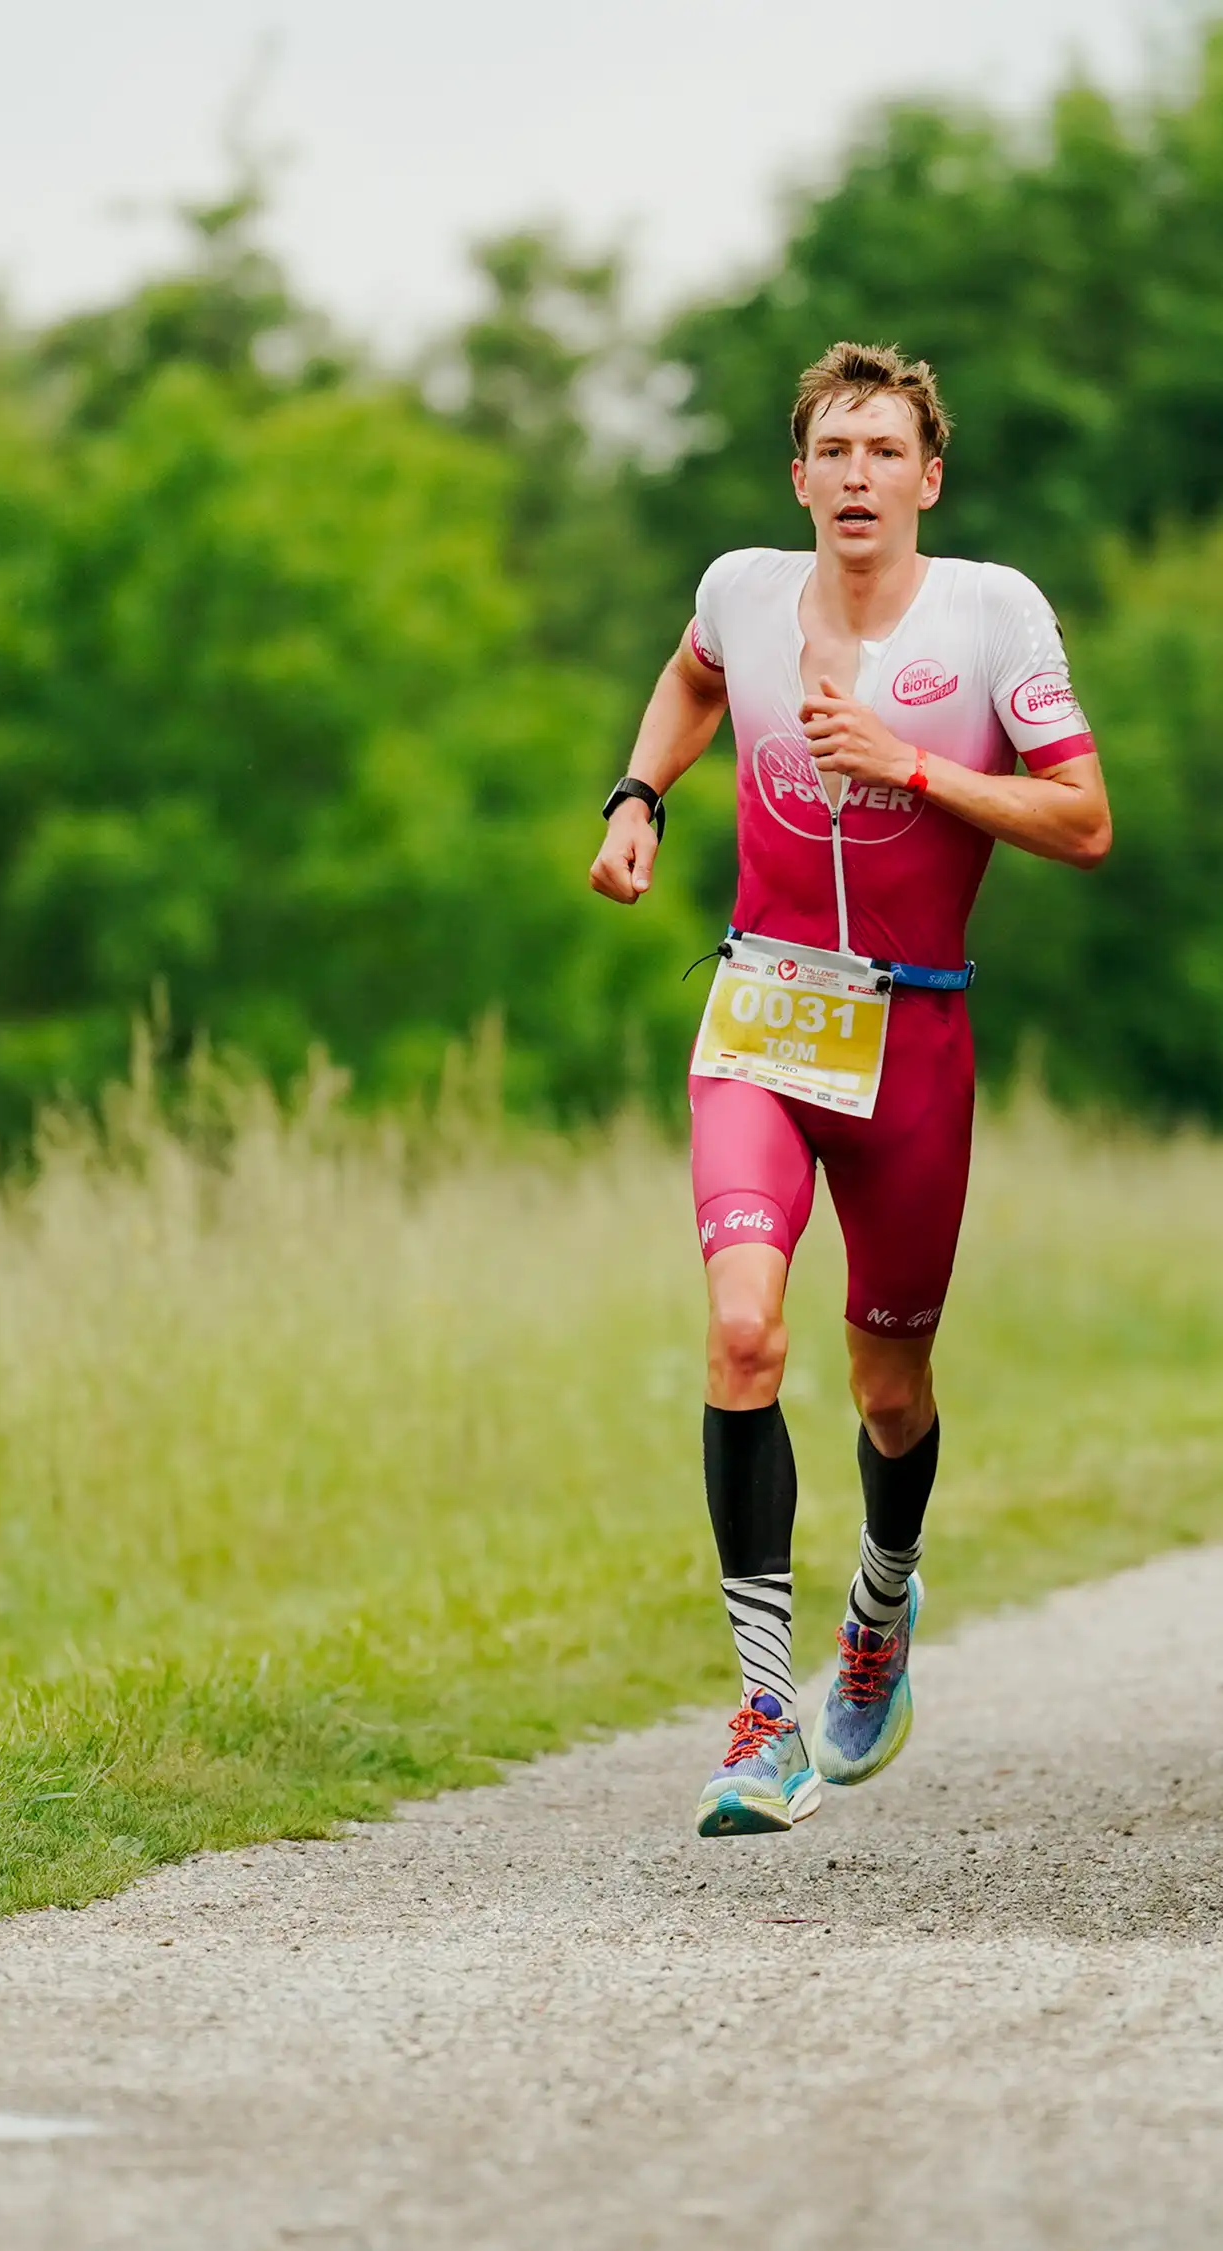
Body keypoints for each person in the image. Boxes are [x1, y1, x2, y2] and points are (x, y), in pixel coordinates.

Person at [589, 340, 1111, 1838]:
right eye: (836, 450)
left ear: (928, 478)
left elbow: (1083, 818)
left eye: (889, 451)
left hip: (914, 1041)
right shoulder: (744, 591)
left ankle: (881, 1602)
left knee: (890, 1390)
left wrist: (917, 768)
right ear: (800, 476)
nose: (861, 475)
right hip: (760, 1010)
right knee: (743, 1331)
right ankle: (764, 1718)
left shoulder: (992, 616)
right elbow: (693, 675)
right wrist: (639, 797)